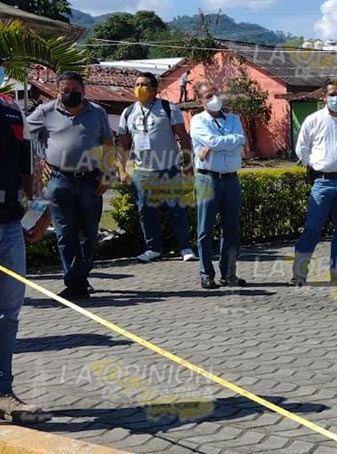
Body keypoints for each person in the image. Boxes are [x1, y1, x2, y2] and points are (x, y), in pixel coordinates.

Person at [25, 71, 115, 300]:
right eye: (65, 91)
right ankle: (75, 282)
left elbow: (107, 143)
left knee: (89, 234)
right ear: (58, 91)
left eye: (74, 90)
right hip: (59, 179)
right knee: (65, 233)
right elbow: (25, 133)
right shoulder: (44, 112)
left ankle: (81, 277)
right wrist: (37, 158)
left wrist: (107, 174)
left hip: (90, 180)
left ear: (83, 90)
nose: (69, 94)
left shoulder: (97, 113)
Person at [0, 62, 51, 424]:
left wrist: (41, 211)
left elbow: (26, 170)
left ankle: (4, 393)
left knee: (9, 314)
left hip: (8, 226)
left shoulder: (9, 108)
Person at [290, 79, 337, 286]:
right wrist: (315, 166)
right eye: (332, 94)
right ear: (324, 96)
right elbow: (302, 149)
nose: (336, 98)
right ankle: (299, 274)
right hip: (322, 182)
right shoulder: (313, 121)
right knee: (312, 228)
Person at [117, 72, 197, 263]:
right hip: (142, 171)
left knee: (176, 209)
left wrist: (187, 163)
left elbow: (183, 138)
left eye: (143, 84)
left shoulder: (168, 108)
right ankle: (152, 248)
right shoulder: (128, 112)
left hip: (168, 168)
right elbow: (123, 145)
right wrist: (121, 169)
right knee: (146, 211)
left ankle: (185, 247)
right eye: (136, 84)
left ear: (154, 89)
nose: (139, 88)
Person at [190, 81, 247, 290]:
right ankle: (206, 274)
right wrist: (221, 143)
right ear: (200, 101)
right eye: (208, 96)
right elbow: (214, 141)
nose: (214, 99)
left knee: (231, 229)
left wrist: (215, 145)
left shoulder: (233, 119)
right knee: (205, 229)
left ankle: (229, 273)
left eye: (215, 94)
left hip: (231, 179)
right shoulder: (197, 121)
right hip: (208, 179)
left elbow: (240, 140)